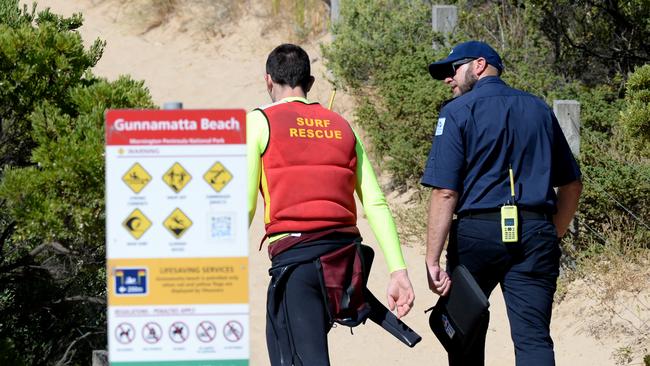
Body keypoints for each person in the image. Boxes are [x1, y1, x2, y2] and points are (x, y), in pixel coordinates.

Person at [247, 43, 415, 366]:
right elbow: (376, 203)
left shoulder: (258, 122)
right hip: (343, 268)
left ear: (268, 81)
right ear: (309, 84)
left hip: (297, 265)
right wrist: (398, 270)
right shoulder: (343, 126)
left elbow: (244, 206)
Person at [421, 40, 582, 366]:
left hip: (477, 233)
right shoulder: (539, 108)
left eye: (453, 70)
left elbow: (445, 192)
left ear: (479, 65)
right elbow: (572, 184)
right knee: (534, 338)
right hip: (535, 231)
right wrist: (553, 232)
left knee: (464, 333)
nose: (447, 79)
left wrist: (432, 259)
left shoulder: (456, 112)